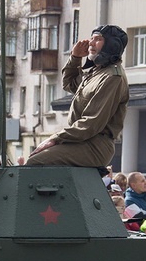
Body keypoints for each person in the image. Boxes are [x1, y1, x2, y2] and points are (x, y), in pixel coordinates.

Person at [27, 25, 129, 169]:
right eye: (92, 38)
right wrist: (75, 58)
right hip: (81, 141)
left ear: (112, 46)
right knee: (36, 158)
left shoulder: (113, 77)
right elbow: (69, 84)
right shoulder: (97, 72)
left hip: (95, 146)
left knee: (36, 162)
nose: (91, 43)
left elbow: (92, 123)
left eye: (98, 40)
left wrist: (55, 138)